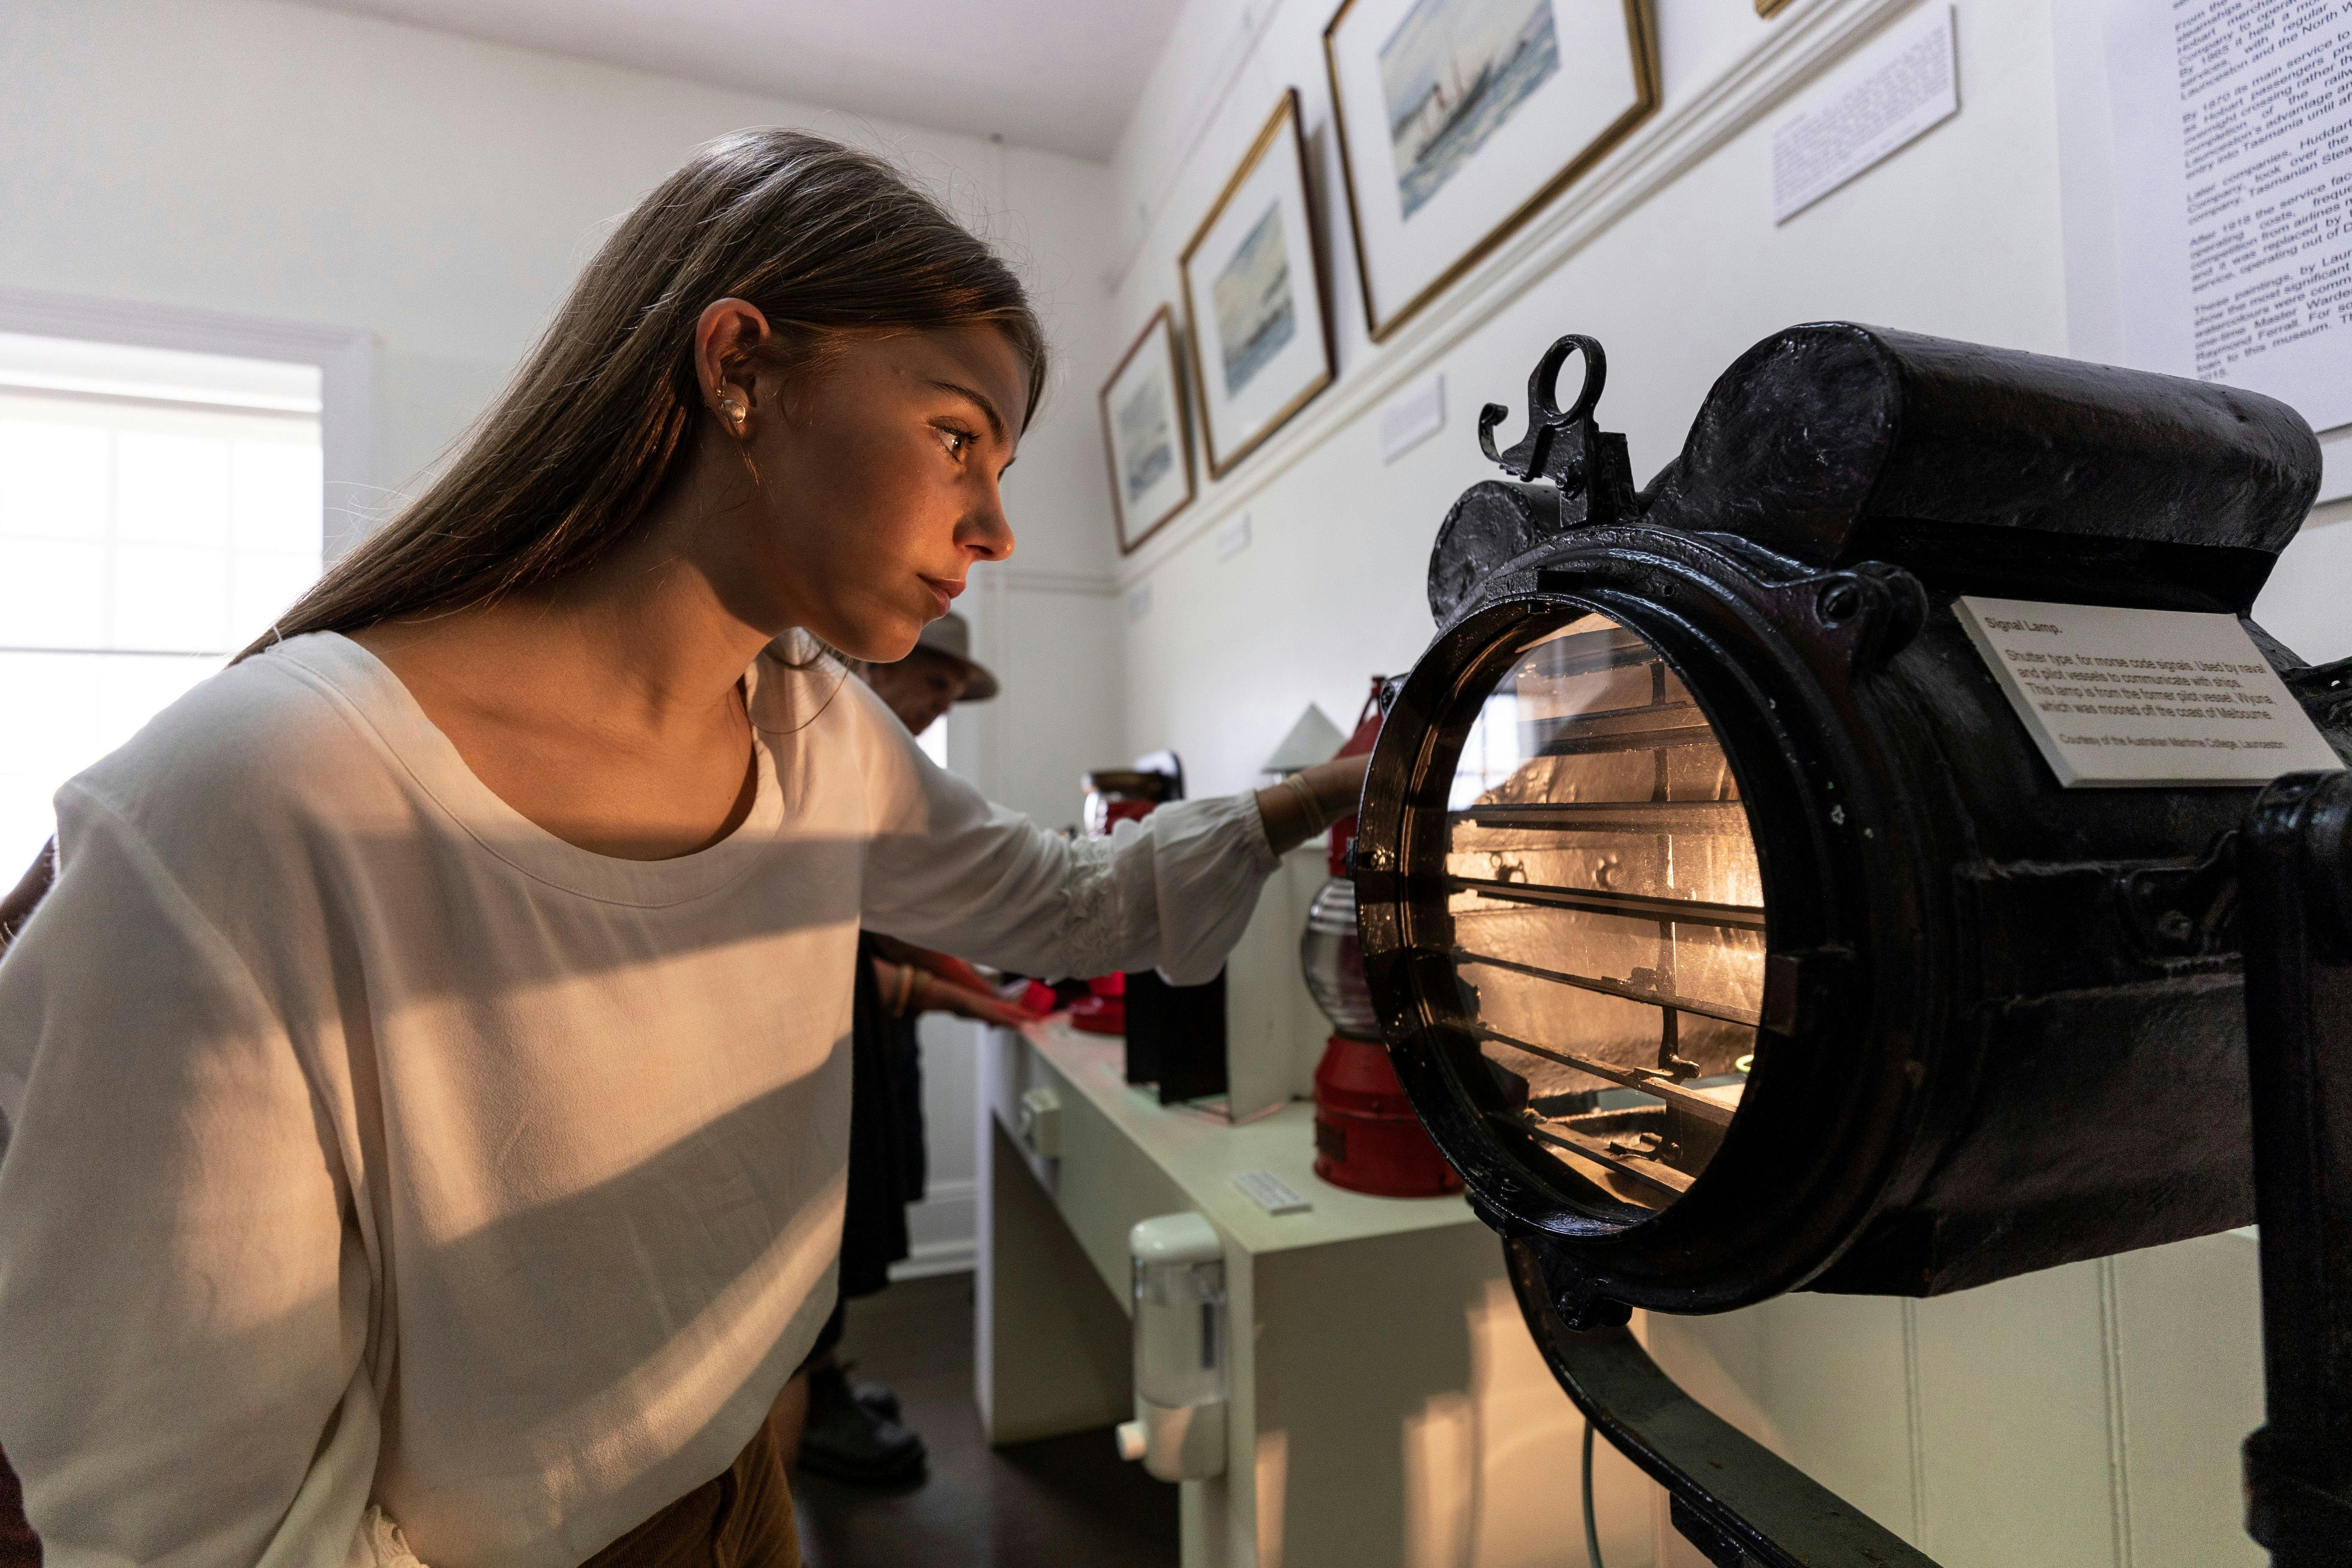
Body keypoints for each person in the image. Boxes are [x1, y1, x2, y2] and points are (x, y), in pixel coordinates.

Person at [0, 129, 1366, 1568]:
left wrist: (1324, 790)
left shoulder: (809, 730)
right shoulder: (249, 802)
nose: (998, 525)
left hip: (743, 1487)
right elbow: (198, 1521)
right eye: (957, 435)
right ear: (739, 367)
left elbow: (1054, 895)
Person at [783, 613, 1035, 1488]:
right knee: (823, 1227)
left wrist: (984, 991)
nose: (941, 706)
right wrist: (975, 997)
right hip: (823, 1041)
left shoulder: (878, 765)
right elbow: (876, 927)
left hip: (866, 1031)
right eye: (938, 685)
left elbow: (906, 919)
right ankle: (810, 1406)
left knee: (855, 1212)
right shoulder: (837, 756)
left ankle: (821, 1384)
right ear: (894, 666)